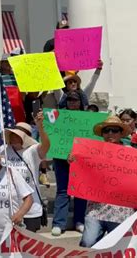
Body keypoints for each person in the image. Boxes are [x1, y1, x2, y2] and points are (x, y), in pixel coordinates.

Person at [78, 116, 136, 247]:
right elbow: (78, 167)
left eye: (114, 130)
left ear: (121, 133)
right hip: (95, 208)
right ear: (102, 134)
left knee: (117, 248)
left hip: (121, 211)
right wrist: (72, 159)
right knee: (88, 243)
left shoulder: (131, 153)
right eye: (107, 130)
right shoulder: (92, 151)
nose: (110, 133)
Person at [4, 111, 50, 232]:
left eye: (18, 135)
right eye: (13, 134)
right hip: (9, 207)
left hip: (30, 209)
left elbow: (46, 146)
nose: (14, 137)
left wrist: (40, 127)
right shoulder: (3, 150)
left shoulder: (32, 151)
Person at [51, 90, 87, 236]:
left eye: (75, 100)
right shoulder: (58, 117)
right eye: (70, 100)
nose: (72, 102)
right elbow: (54, 136)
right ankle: (59, 223)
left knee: (81, 191)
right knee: (62, 191)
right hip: (61, 159)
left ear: (80, 102)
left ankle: (80, 221)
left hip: (81, 160)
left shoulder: (87, 118)